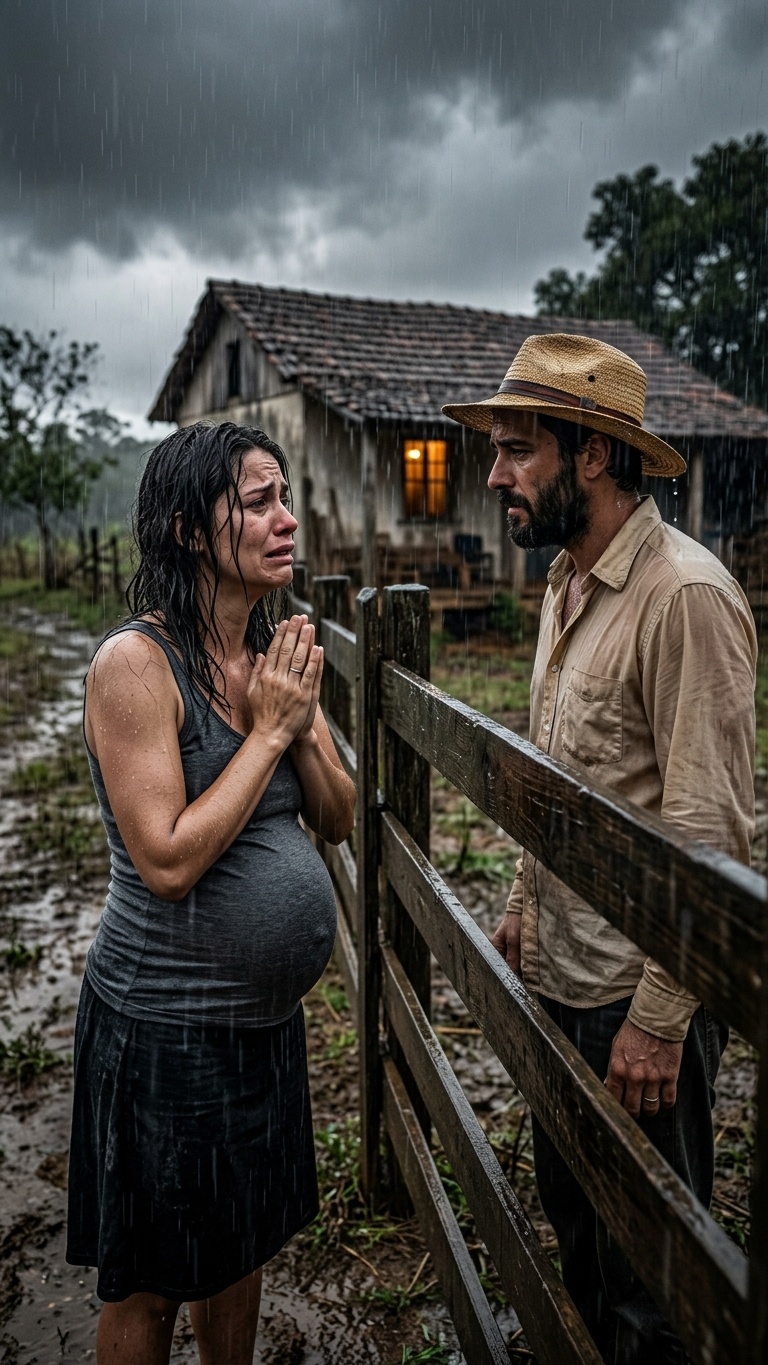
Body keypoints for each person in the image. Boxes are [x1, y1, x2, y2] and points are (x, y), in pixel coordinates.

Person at [442, 334, 756, 1365]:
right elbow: (564, 780)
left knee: (650, 1287)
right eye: (494, 451)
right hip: (565, 977)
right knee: (575, 1225)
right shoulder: (566, 586)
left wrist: (662, 1022)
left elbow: (714, 836)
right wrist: (531, 904)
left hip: (636, 1001)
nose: (493, 476)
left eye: (517, 450)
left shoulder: (686, 599)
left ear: (592, 456)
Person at [65, 421, 356, 1365]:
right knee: (148, 1281)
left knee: (238, 1251)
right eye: (259, 503)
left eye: (286, 498)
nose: (287, 522)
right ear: (193, 530)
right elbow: (168, 860)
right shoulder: (135, 667)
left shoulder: (270, 649)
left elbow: (342, 816)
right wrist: (268, 734)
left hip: (260, 1027)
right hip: (164, 1029)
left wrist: (302, 727)